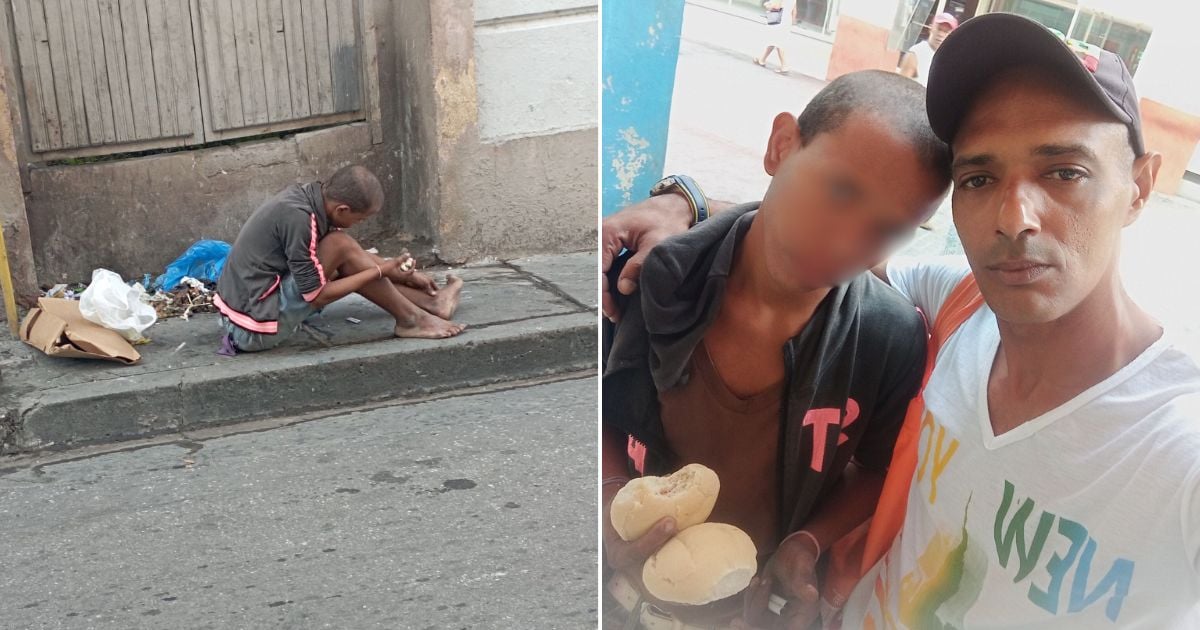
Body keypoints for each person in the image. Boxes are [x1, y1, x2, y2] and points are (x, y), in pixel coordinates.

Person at [603, 14, 1200, 628]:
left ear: (1139, 186)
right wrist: (687, 207)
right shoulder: (962, 306)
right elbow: (792, 254)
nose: (1014, 217)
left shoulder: (1178, 444)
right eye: (980, 177)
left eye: (1065, 171)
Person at [602, 70, 950, 630]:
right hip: (620, 591)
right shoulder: (649, 277)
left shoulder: (890, 338)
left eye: (887, 228)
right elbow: (598, 399)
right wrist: (611, 498)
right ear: (781, 145)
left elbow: (876, 468)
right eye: (840, 190)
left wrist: (808, 543)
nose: (845, 243)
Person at [215, 165, 466, 353]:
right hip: (251, 329)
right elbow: (317, 295)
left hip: (248, 312)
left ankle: (431, 304)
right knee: (341, 246)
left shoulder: (310, 199)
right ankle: (412, 320)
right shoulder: (299, 219)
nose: (357, 225)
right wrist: (380, 271)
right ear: (342, 210)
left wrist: (396, 271)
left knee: (345, 250)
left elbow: (352, 256)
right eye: (360, 219)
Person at [898, 12, 957, 87]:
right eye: (939, 29)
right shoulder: (916, 53)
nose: (941, 34)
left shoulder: (951, 59)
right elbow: (901, 86)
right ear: (931, 28)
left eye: (946, 32)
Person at [754, 0, 798, 74]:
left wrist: (767, 5)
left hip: (779, 20)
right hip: (787, 20)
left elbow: (776, 6)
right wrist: (791, 23)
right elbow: (794, 11)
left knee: (778, 43)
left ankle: (784, 66)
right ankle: (762, 60)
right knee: (773, 40)